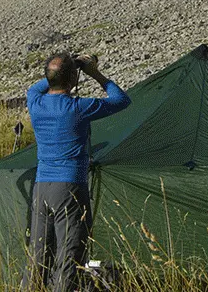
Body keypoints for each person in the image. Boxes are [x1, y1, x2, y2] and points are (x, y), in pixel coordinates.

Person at [27, 53, 130, 292]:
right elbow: (121, 100)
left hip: (41, 186)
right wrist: (93, 72)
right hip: (70, 186)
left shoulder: (35, 101)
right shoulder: (78, 108)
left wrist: (65, 68)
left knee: (38, 253)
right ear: (73, 79)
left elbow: (41, 85)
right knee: (69, 253)